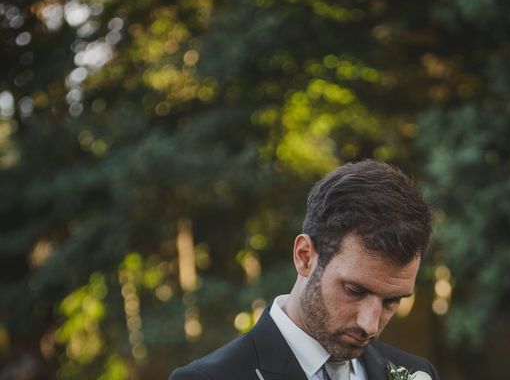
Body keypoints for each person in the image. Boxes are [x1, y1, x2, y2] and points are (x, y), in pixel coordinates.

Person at [170, 159, 440, 380]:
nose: (369, 324)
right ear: (305, 256)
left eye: (391, 301)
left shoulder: (419, 373)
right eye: (354, 290)